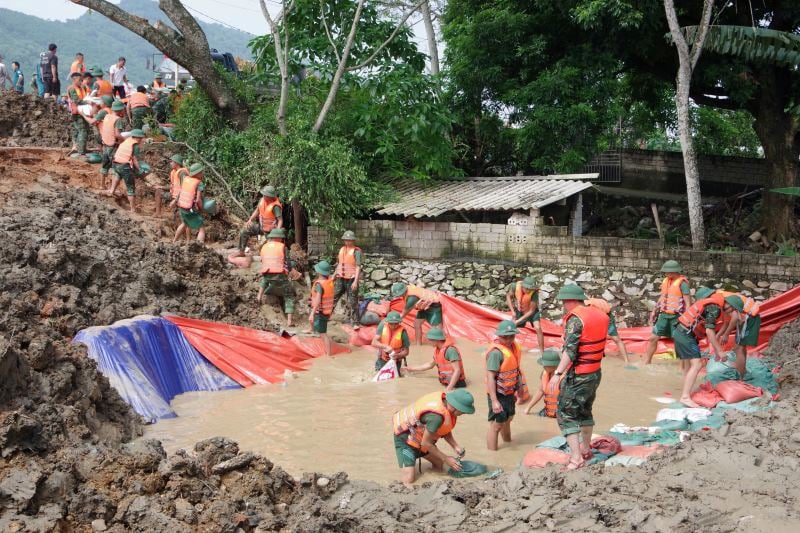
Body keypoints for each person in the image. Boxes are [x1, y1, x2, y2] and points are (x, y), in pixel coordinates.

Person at [549, 285, 609, 470]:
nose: (563, 305)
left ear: (568, 301)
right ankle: (585, 449)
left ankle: (576, 458)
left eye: (563, 302)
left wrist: (557, 374)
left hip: (579, 374)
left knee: (566, 414)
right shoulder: (600, 314)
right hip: (595, 372)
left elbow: (570, 351)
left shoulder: (576, 320)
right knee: (585, 410)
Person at [392, 389, 474, 487]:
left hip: (420, 437)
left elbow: (445, 428)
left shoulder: (446, 405)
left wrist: (455, 446)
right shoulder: (436, 417)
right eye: (463, 411)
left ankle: (433, 485)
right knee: (409, 478)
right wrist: (446, 459)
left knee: (438, 463)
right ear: (455, 407)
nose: (464, 414)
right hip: (405, 439)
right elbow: (426, 443)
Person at [672, 286, 728, 407]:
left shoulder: (706, 305)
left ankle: (686, 391)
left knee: (689, 364)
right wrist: (719, 351)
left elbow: (714, 329)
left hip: (679, 331)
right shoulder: (714, 307)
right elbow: (709, 331)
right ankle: (685, 397)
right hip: (685, 335)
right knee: (697, 364)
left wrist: (713, 348)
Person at [643, 260, 692, 364]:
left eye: (668, 272)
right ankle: (647, 362)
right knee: (653, 338)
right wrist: (654, 311)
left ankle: (683, 366)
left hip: (677, 316)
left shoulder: (683, 284)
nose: (666, 274)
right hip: (664, 315)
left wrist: (687, 319)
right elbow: (662, 297)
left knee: (679, 342)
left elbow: (688, 303)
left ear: (675, 271)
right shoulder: (666, 281)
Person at [485, 320, 523, 451]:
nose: (508, 340)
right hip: (498, 394)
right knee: (497, 425)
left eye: (511, 336)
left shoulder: (514, 347)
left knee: (509, 419)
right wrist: (494, 401)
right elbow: (490, 377)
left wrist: (520, 387)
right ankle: (493, 453)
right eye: (504, 337)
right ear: (498, 336)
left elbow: (516, 369)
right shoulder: (496, 353)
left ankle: (508, 442)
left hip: (509, 391)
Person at [256, 229, 295, 326]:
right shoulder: (282, 247)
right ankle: (289, 321)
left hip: (267, 273)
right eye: (281, 238)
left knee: (264, 281)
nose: (282, 240)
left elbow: (262, 261)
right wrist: (291, 270)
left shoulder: (264, 247)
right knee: (289, 296)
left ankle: (258, 297)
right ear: (278, 238)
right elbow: (288, 263)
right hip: (280, 274)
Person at [721, 294, 761, 379]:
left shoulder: (734, 309)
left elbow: (734, 319)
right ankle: (743, 370)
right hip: (749, 320)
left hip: (750, 322)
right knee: (741, 347)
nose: (726, 311)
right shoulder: (731, 303)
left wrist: (726, 334)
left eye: (726, 309)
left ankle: (740, 375)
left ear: (731, 306)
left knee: (739, 349)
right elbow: (727, 322)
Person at [237, 186, 282, 255]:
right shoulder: (262, 200)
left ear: (270, 196)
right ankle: (241, 251)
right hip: (261, 227)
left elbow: (280, 220)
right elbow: (257, 210)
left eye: (265, 195)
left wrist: (277, 233)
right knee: (244, 231)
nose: (263, 196)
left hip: (271, 232)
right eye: (263, 194)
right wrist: (250, 220)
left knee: (269, 250)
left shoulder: (275, 206)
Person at [506, 276, 545, 354]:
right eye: (526, 288)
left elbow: (531, 311)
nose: (528, 291)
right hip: (520, 311)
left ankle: (542, 352)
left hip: (532, 312)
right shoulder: (514, 286)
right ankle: (507, 348)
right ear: (522, 286)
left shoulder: (534, 293)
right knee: (510, 328)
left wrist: (519, 320)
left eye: (530, 289)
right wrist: (513, 312)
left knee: (538, 328)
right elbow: (508, 296)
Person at [584, 297, 629, 363]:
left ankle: (626, 360)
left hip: (607, 317)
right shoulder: (584, 307)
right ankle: (601, 356)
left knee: (616, 339)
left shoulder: (594, 306)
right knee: (597, 338)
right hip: (596, 318)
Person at [110, 129, 145, 211]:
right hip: (124, 166)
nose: (141, 140)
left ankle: (111, 191)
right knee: (130, 188)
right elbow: (135, 159)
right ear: (137, 138)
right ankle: (133, 209)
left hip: (115, 163)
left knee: (117, 176)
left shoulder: (126, 141)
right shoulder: (135, 145)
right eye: (141, 138)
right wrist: (140, 170)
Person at [333, 230, 362, 328]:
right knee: (334, 296)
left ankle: (355, 323)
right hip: (341, 278)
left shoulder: (356, 252)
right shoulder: (341, 249)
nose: (348, 242)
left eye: (349, 240)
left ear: (353, 241)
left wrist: (355, 281)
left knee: (353, 301)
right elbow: (339, 264)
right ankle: (326, 315)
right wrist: (334, 274)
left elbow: (358, 267)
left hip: (351, 279)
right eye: (346, 240)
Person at [172, 163, 207, 243]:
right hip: (190, 209)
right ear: (197, 173)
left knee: (184, 223)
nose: (202, 174)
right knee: (201, 228)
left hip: (182, 207)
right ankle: (199, 247)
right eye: (201, 172)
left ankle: (174, 241)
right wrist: (201, 209)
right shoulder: (199, 183)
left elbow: (181, 192)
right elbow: (198, 200)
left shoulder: (186, 179)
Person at [523, 349, 563, 416]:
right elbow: (540, 391)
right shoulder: (545, 374)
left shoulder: (564, 378)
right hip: (548, 411)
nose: (543, 366)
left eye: (545, 365)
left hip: (562, 414)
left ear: (554, 365)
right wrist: (528, 407)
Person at [98, 101, 126, 189]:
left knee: (105, 165)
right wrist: (125, 140)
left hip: (105, 143)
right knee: (115, 167)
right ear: (121, 110)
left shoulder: (107, 116)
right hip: (113, 146)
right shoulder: (118, 120)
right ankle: (112, 189)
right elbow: (117, 134)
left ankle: (102, 185)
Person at [309, 260, 335, 357]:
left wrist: (312, 313)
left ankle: (328, 355)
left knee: (323, 334)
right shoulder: (329, 282)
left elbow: (318, 299)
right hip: (326, 311)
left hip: (320, 311)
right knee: (320, 328)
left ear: (319, 272)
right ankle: (311, 330)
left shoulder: (319, 284)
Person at [66, 72, 89, 157]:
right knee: (82, 131)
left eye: (81, 80)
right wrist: (88, 102)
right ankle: (81, 152)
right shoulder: (72, 89)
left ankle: (78, 148)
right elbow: (77, 100)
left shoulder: (82, 88)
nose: (81, 82)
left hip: (83, 112)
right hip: (77, 113)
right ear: (74, 80)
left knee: (83, 130)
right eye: (79, 80)